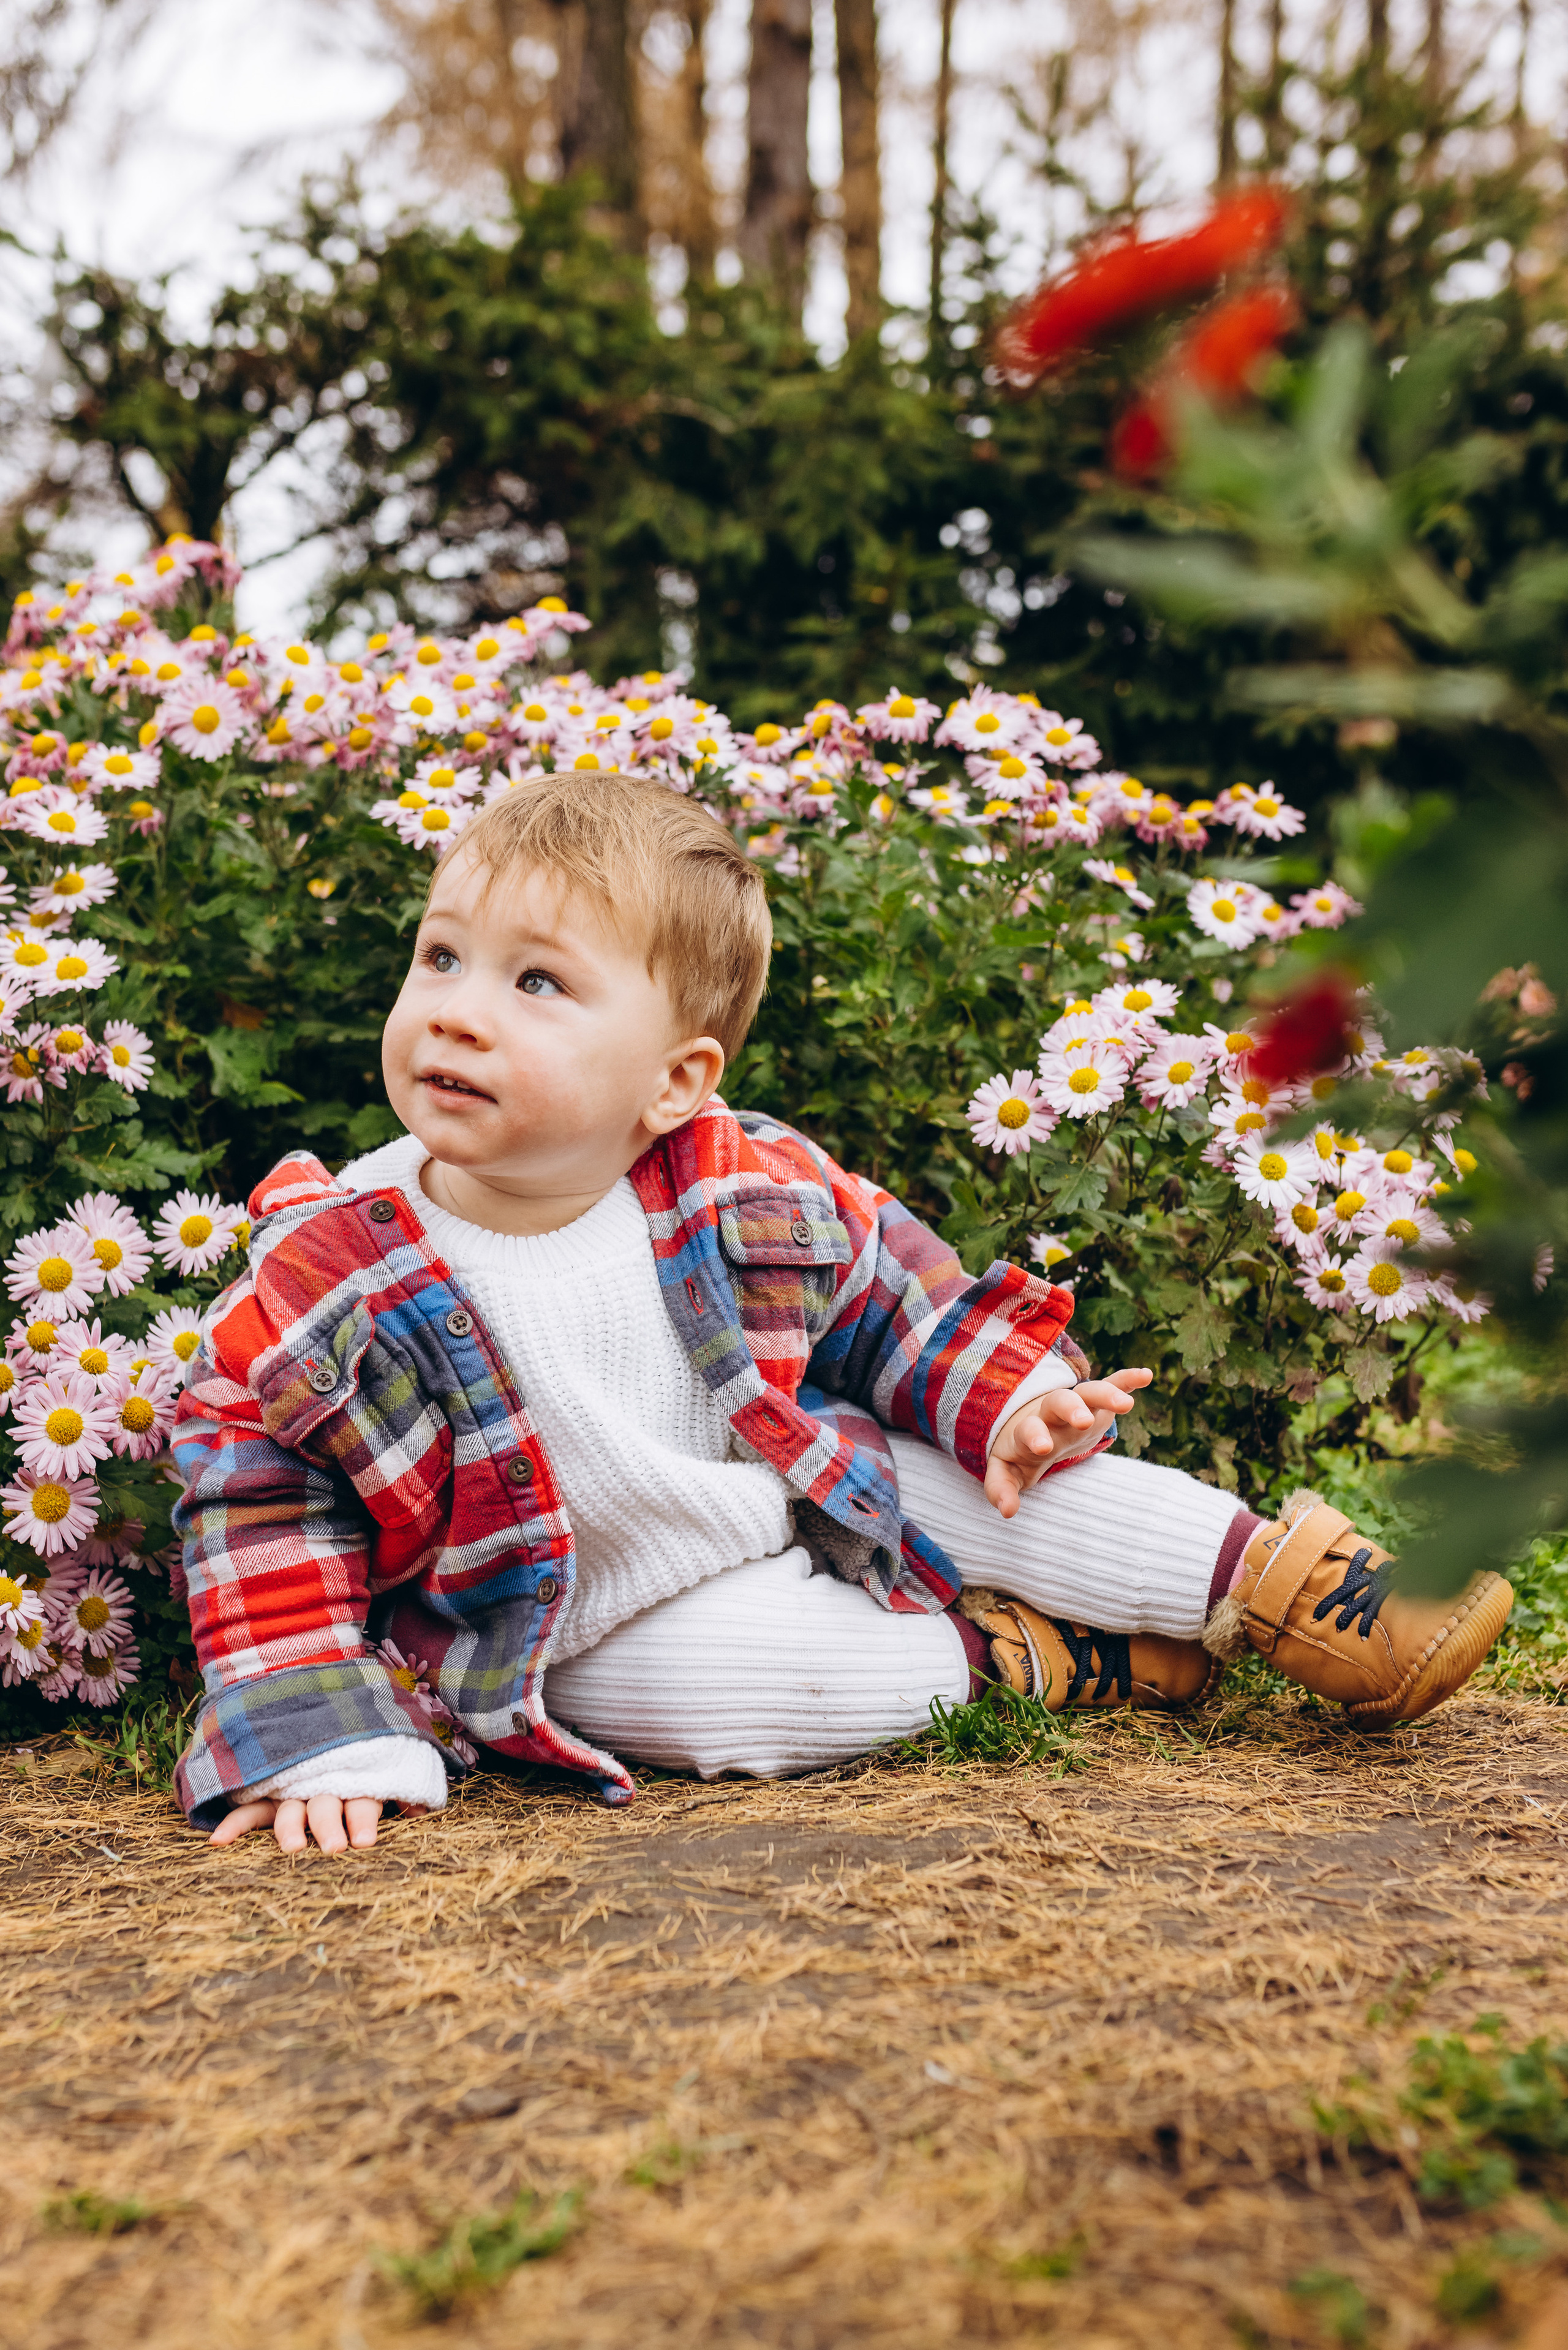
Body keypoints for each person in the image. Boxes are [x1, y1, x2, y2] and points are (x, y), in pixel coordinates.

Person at [169, 775, 1514, 1853]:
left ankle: (1279, 1584)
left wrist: (1010, 1395)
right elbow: (261, 1505)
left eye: (536, 983)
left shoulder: (732, 1180)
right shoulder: (328, 1266)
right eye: (442, 957)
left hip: (809, 1484)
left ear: (671, 1080)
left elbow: (899, 1297)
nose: (457, 1012)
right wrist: (317, 1725)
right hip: (573, 1620)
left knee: (1021, 1483)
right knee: (770, 1689)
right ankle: (1010, 1656)